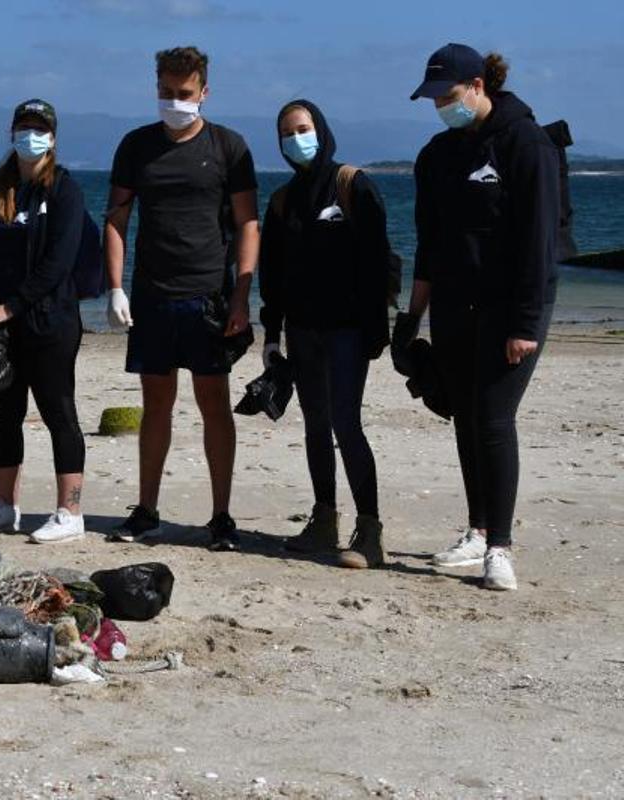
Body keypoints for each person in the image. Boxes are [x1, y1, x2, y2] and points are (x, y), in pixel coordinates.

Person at [404, 44, 559, 590]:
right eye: (433, 99)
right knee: (466, 419)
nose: (442, 106)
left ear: (477, 86)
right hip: (453, 307)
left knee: (494, 419)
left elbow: (539, 244)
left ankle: (501, 547)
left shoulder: (526, 144)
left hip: (510, 309)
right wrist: (411, 318)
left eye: (449, 96)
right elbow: (429, 244)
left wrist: (524, 324)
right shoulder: (438, 156)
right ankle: (477, 528)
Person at [103, 46, 260, 550]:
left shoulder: (229, 147)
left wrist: (241, 294)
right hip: (152, 296)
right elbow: (116, 218)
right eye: (167, 93)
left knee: (214, 405)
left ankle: (221, 517)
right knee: (156, 406)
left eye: (184, 94)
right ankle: (146, 510)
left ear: (204, 92)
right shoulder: (136, 146)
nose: (175, 101)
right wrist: (115, 286)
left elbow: (246, 224)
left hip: (208, 297)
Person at [258, 99, 393, 569]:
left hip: (349, 331)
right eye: (286, 133)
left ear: (321, 129)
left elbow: (379, 261)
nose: (296, 139)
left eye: (303, 128)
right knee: (315, 425)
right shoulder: (281, 201)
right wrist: (271, 335)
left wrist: (379, 328)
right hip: (302, 330)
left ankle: (370, 530)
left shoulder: (352, 185)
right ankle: (323, 520)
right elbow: (271, 278)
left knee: (345, 422)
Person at [0, 99, 89, 544]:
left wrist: (12, 306)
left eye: (39, 129)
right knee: (6, 414)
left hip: (51, 323)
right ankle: (5, 506)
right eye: (23, 127)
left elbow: (59, 261)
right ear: (12, 133)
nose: (30, 136)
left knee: (59, 413)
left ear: (52, 138)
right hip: (1, 328)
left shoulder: (65, 190)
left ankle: (70, 511)